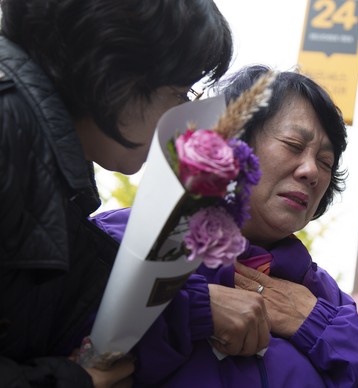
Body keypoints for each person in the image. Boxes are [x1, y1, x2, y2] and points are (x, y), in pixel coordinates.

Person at [92, 65, 358, 387]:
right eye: (293, 145)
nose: (311, 171)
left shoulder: (326, 299)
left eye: (326, 162)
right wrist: (197, 310)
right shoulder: (121, 239)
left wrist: (315, 324)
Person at [0, 0, 232, 387]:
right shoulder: (9, 127)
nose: (184, 121)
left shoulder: (47, 160)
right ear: (116, 70)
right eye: (178, 92)